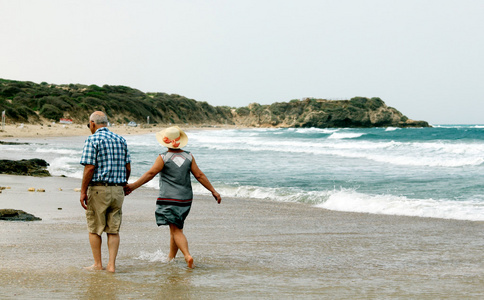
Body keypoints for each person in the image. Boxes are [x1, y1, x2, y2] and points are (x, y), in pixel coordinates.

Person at [124, 126, 221, 268]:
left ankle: (188, 256)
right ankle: (171, 257)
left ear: (165, 142)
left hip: (169, 198)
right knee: (175, 228)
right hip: (186, 199)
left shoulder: (163, 157)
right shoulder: (189, 156)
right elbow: (199, 175)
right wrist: (213, 191)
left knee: (176, 230)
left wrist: (133, 186)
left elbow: (150, 174)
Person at [80, 111, 131, 273]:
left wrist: (82, 191)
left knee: (95, 227)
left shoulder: (93, 139)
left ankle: (97, 264)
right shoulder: (121, 140)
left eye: (89, 125)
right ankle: (111, 265)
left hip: (99, 189)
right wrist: (123, 183)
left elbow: (89, 168)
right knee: (113, 229)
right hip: (118, 190)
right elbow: (128, 167)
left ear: (93, 123)